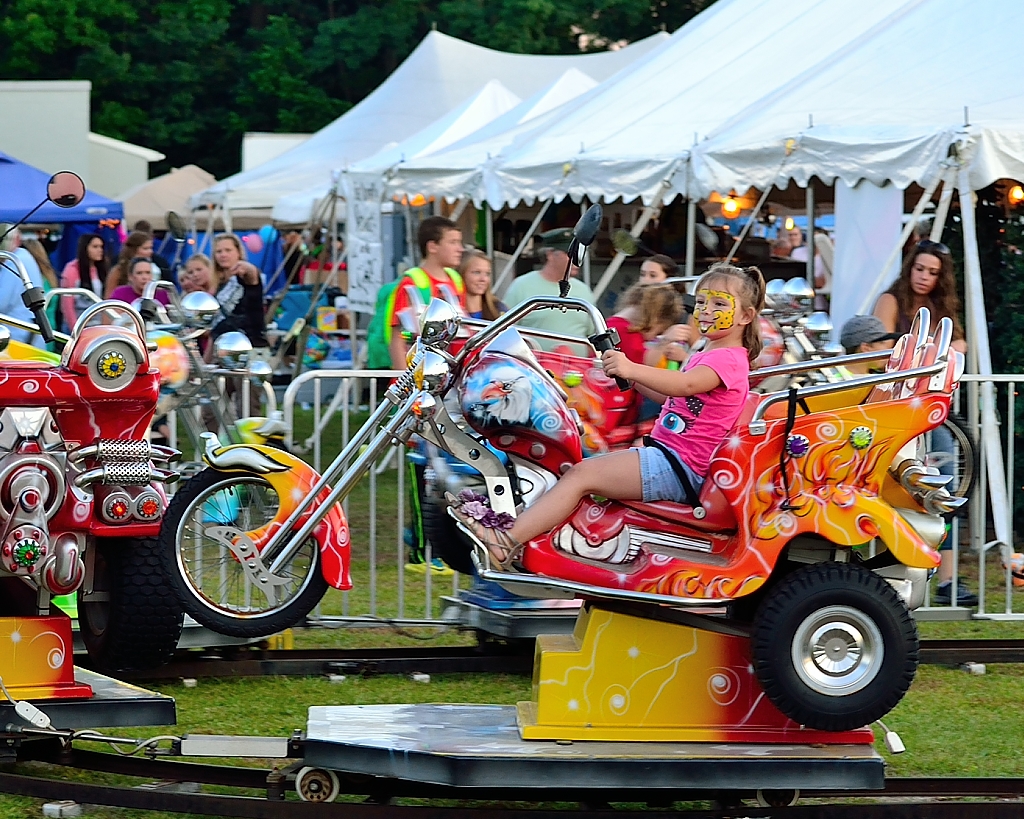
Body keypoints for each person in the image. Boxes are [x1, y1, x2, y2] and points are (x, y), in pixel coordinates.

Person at [451, 262, 764, 569]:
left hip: (679, 465)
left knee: (580, 476)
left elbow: (685, 385)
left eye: (720, 303)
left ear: (746, 316)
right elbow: (671, 396)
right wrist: (631, 375)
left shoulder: (729, 359)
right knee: (573, 467)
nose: (707, 309)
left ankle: (505, 542)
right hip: (667, 455)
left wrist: (632, 368)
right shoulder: (706, 352)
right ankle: (536, 539)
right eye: (701, 301)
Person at [873, 240, 973, 606]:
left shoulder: (941, 307)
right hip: (895, 413)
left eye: (933, 273)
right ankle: (893, 577)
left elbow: (959, 347)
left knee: (941, 492)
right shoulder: (891, 300)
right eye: (920, 269)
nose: (924, 278)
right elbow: (884, 349)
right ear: (910, 268)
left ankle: (946, 580)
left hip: (932, 414)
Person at [386, 216, 465, 369]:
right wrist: (404, 379)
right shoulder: (412, 282)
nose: (460, 249)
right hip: (417, 375)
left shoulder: (456, 280)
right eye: (452, 242)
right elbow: (400, 336)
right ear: (432, 247)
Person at [503, 228, 597, 345]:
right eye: (570, 253)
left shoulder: (584, 290)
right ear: (550, 255)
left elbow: (593, 335)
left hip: (577, 363)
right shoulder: (521, 286)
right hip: (533, 362)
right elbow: (504, 332)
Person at [209, 233, 267, 351]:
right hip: (224, 347)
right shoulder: (219, 284)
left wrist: (247, 267)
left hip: (250, 345)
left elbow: (252, 275)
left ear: (238, 252)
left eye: (228, 250)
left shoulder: (245, 276)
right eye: (219, 251)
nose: (223, 255)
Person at [0, 226, 48, 348]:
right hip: (29, 333)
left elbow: (2, 301)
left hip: (18, 337)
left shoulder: (15, 260)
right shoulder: (23, 257)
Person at [60, 233, 108, 331]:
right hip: (79, 324)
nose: (100, 250)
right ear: (85, 248)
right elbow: (67, 305)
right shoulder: (72, 269)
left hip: (99, 325)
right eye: (95, 247)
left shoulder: (102, 269)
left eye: (101, 247)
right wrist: (75, 329)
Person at [105, 231, 153, 297]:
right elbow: (108, 297)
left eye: (151, 248)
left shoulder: (155, 267)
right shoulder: (118, 270)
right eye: (145, 248)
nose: (150, 252)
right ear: (134, 249)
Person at [460, 249, 504, 320]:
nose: (483, 279)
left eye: (487, 274)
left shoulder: (499, 309)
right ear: (462, 273)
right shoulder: (451, 309)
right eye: (477, 272)